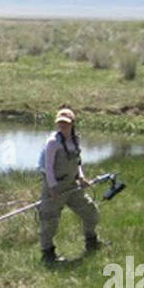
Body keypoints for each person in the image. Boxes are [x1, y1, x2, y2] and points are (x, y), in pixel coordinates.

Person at [38, 107, 104, 264]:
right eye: (60, 123)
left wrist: (81, 177)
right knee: (49, 222)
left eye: (66, 123)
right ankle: (48, 255)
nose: (62, 126)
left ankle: (92, 242)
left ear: (72, 123)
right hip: (55, 188)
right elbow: (48, 167)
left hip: (72, 186)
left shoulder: (75, 140)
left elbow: (77, 162)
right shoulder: (53, 142)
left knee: (91, 213)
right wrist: (53, 188)